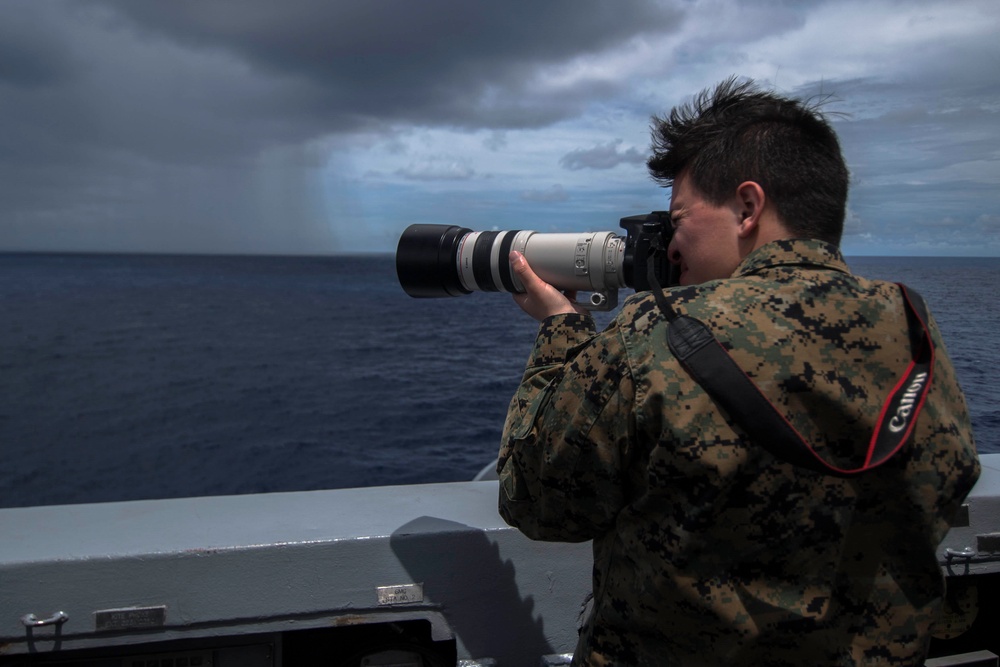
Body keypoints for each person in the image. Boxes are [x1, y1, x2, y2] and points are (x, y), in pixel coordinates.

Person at [496, 77, 981, 666]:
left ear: (748, 208)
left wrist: (560, 329)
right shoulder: (912, 328)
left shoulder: (660, 328)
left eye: (679, 219)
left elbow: (537, 501)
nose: (671, 246)